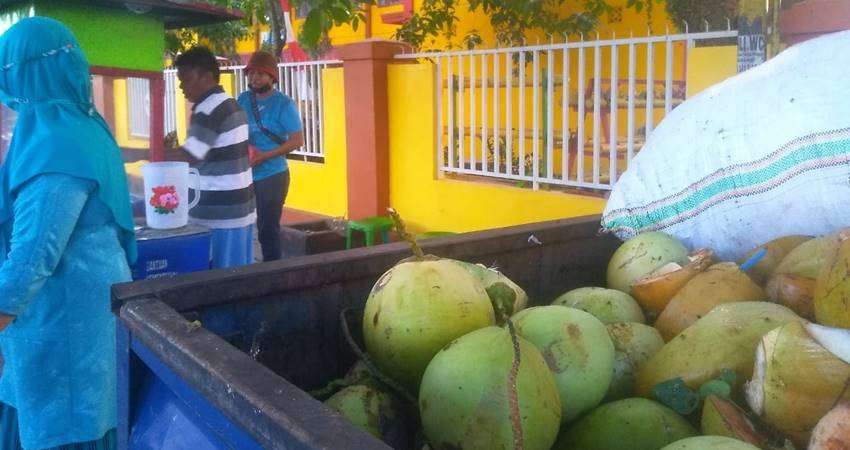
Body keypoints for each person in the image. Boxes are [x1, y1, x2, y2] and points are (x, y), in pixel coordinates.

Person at [0, 17, 137, 449]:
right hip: (90, 304)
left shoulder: (54, 143)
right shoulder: (84, 125)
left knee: (64, 424)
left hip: (65, 319)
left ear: (25, 74)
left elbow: (32, 256)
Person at [170, 46, 256, 268]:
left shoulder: (209, 109)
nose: (181, 87)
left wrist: (145, 154)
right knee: (239, 276)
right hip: (239, 208)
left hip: (220, 213)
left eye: (186, 80)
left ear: (207, 77)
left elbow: (189, 156)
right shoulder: (230, 103)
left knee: (221, 279)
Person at [236, 51, 304, 262]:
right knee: (240, 224)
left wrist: (265, 156)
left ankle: (273, 272)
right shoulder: (243, 99)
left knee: (267, 228)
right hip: (245, 173)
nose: (255, 78)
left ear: (272, 77)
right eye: (251, 73)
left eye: (261, 74)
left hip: (273, 175)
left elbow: (297, 140)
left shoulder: (284, 104)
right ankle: (243, 268)